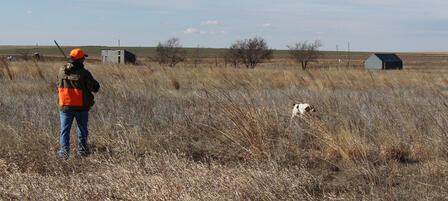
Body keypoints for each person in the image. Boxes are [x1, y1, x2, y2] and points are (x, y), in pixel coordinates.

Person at [57, 48, 100, 160]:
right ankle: (82, 152)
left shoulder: (62, 70)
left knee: (64, 131)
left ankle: (63, 155)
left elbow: (58, 82)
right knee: (82, 130)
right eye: (83, 58)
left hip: (65, 105)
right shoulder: (84, 73)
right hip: (80, 106)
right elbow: (95, 88)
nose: (84, 60)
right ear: (80, 60)